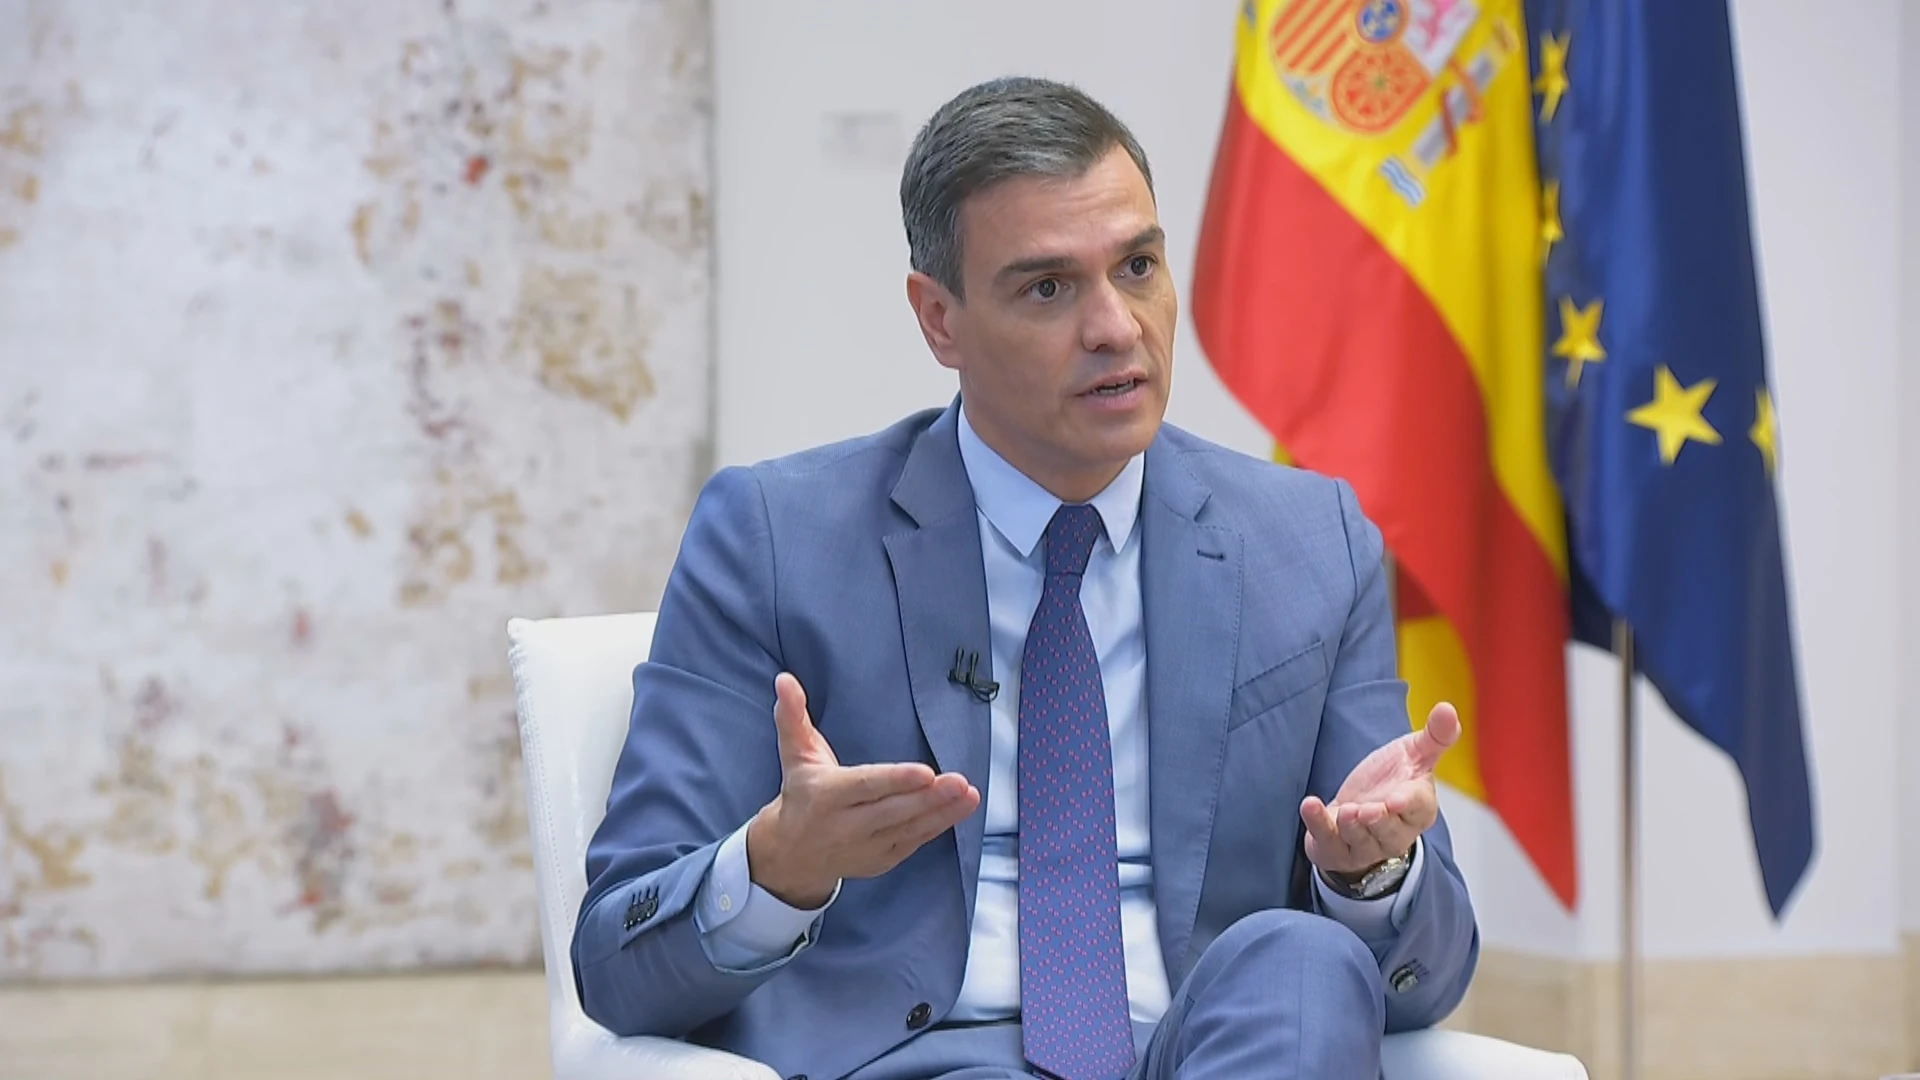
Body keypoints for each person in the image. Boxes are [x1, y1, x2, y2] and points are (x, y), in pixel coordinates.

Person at [572, 76, 1478, 1080]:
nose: (1116, 328)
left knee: (1303, 959)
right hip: (927, 1056)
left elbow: (1424, 982)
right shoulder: (776, 538)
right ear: (939, 320)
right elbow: (616, 961)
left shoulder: (1309, 541)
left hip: (1213, 1050)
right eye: (1047, 288)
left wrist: (1372, 875)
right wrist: (777, 866)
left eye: (1137, 266)